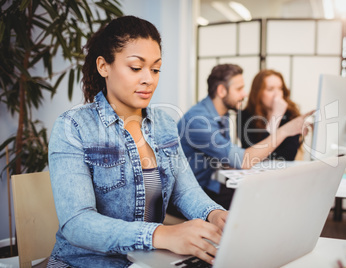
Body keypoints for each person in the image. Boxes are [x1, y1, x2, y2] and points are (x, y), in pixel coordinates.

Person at [47, 15, 227, 268]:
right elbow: (76, 223)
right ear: (103, 66)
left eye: (155, 69)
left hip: (149, 259)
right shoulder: (73, 127)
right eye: (135, 68)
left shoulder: (164, 124)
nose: (149, 79)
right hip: (87, 263)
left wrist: (214, 213)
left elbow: (185, 190)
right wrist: (160, 234)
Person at [177, 64, 312, 210]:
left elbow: (229, 160)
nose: (244, 94)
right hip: (191, 193)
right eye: (239, 89)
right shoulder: (198, 121)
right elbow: (243, 160)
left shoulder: (222, 114)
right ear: (222, 91)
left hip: (209, 183)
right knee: (258, 203)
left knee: (264, 196)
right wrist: (284, 131)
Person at [237, 69, 302, 161]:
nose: (277, 94)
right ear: (258, 93)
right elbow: (254, 156)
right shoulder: (244, 116)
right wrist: (275, 117)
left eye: (280, 88)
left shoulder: (291, 115)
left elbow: (288, 156)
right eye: (270, 89)